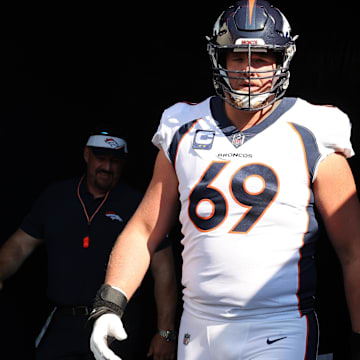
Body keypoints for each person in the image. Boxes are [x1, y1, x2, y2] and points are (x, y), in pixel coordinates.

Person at [88, 1, 360, 359]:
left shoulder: (314, 128)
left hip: (278, 327)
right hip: (198, 328)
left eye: (261, 58)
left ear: (282, 61)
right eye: (237, 57)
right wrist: (110, 301)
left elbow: (353, 250)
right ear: (220, 60)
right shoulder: (182, 125)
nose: (249, 70)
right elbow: (144, 229)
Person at [0, 125, 178, 360]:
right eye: (100, 158)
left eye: (114, 161)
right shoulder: (56, 197)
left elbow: (163, 269)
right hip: (61, 320)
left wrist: (165, 333)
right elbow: (20, 245)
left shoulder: (137, 204)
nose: (107, 167)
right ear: (86, 156)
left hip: (114, 323)